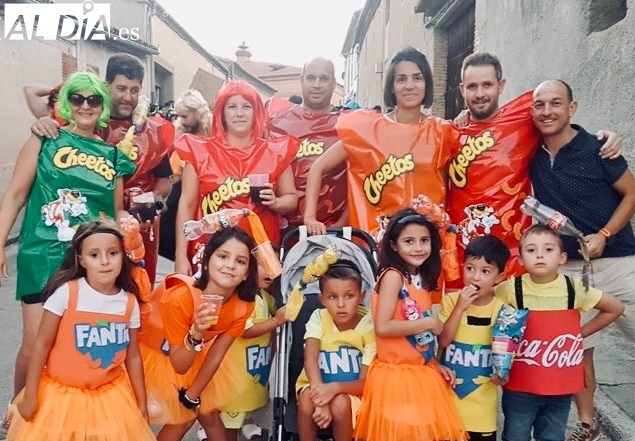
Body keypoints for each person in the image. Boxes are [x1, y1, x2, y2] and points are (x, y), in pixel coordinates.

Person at [527, 79, 635, 441]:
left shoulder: (597, 148)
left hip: (620, 258)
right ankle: (587, 424)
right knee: (579, 346)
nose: (547, 111)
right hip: (569, 267)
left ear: (573, 108)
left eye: (556, 103)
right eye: (540, 104)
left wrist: (604, 233)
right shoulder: (531, 152)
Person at [0, 71, 136, 441]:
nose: (85, 106)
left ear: (103, 107)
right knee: (34, 342)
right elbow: (16, 195)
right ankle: (15, 409)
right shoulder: (44, 137)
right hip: (42, 252)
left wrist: (129, 226)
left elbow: (114, 213)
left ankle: (66, 416)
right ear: (65, 102)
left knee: (77, 343)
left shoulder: (115, 155)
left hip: (89, 259)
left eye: (94, 99)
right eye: (77, 98)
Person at [4, 219, 161, 441]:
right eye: (94, 254)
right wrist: (30, 392)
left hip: (108, 395)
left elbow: (132, 355)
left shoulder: (128, 302)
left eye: (112, 253)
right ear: (80, 259)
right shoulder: (68, 294)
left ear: (122, 256)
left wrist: (142, 402)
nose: (104, 261)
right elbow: (41, 346)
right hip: (61, 396)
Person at [122, 227, 258, 441]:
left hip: (199, 354)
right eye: (223, 256)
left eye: (240, 261)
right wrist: (196, 332)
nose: (229, 265)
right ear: (207, 259)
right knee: (182, 419)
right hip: (162, 353)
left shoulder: (242, 304)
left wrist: (195, 393)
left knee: (207, 410)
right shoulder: (181, 298)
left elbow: (218, 353)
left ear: (248, 273)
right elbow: (180, 364)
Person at [448, 52, 622, 287]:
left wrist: (605, 137)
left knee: (512, 320)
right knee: (465, 321)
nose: (479, 94)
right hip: (463, 253)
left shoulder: (525, 117)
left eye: (487, 85)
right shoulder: (449, 133)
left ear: (501, 86)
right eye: (472, 86)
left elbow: (557, 117)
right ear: (462, 90)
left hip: (512, 255)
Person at [493, 225, 623, 441]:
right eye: (531, 249)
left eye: (548, 249)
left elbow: (615, 308)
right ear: (521, 257)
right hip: (522, 383)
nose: (540, 255)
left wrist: (579, 334)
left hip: (559, 385)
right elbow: (489, 315)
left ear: (563, 257)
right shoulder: (511, 289)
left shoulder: (572, 289)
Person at [303, 48, 461, 296]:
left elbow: (447, 186)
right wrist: (310, 217)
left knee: (422, 319)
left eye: (417, 78)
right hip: (377, 247)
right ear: (391, 86)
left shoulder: (442, 132)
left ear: (427, 84)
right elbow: (318, 167)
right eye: (401, 79)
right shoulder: (367, 128)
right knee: (377, 318)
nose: (409, 86)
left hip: (424, 250)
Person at [353, 209, 467, 441]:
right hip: (395, 376)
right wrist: (429, 322)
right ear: (394, 245)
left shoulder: (419, 280)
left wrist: (435, 362)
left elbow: (419, 340)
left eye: (424, 240)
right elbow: (384, 326)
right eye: (409, 241)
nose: (418, 247)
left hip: (417, 373)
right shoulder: (392, 276)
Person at [33, 54, 175, 284]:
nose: (128, 97)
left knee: (137, 287)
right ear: (106, 86)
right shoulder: (88, 117)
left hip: (138, 223)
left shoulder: (153, 131)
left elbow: (164, 181)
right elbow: (32, 94)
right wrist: (43, 120)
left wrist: (154, 204)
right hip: (92, 217)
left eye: (134, 90)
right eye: (120, 88)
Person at [421, 236, 509, 441]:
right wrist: (459, 307)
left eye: (485, 271)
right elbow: (443, 341)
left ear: (500, 276)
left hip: (481, 395)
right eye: (470, 268)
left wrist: (504, 373)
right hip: (449, 391)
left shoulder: (502, 309)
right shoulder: (449, 300)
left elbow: (507, 350)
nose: (476, 277)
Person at [173, 81, 298, 275]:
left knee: (258, 305)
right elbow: (186, 206)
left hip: (260, 252)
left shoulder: (276, 152)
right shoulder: (200, 152)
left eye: (246, 106)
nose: (239, 113)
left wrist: (276, 202)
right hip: (211, 250)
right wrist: (180, 257)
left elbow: (291, 199)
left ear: (256, 112)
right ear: (221, 112)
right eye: (232, 107)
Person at [295, 259, 374, 441]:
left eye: (349, 296)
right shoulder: (319, 318)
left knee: (340, 403)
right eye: (332, 297)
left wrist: (334, 390)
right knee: (307, 397)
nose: (340, 304)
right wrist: (321, 399)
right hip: (315, 386)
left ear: (361, 296)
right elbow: (310, 358)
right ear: (322, 299)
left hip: (350, 393)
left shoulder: (368, 324)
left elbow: (365, 382)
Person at [207, 257, 287, 441]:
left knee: (238, 416)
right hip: (236, 372)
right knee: (230, 421)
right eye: (263, 264)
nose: (272, 269)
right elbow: (244, 330)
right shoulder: (243, 299)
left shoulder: (262, 296)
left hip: (252, 368)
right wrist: (276, 322)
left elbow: (274, 308)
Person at [267, 57, 349, 232]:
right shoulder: (277, 124)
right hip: (283, 232)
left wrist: (341, 223)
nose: (317, 85)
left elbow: (361, 179)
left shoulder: (348, 125)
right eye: (311, 78)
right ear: (301, 80)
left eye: (324, 79)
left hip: (333, 232)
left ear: (334, 84)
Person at [160, 89, 213, 262]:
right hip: (178, 202)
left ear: (198, 113)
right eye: (179, 116)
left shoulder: (213, 137)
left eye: (185, 116)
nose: (181, 121)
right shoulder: (180, 137)